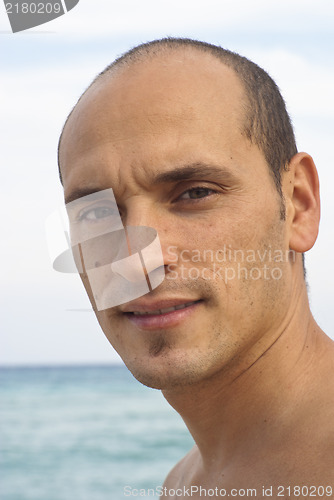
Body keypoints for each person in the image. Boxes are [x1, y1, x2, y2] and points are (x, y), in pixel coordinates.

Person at [57, 38, 334, 498]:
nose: (137, 260)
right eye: (96, 214)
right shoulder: (183, 485)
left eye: (195, 193)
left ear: (298, 206)